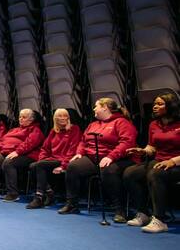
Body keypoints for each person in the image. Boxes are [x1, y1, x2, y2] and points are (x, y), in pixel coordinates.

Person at [58, 98, 137, 222]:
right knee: (72, 167)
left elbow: (127, 143)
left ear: (105, 107)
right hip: (93, 157)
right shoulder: (93, 124)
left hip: (118, 158)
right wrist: (79, 153)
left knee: (108, 170)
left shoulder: (122, 122)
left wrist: (111, 156)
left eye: (96, 106)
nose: (94, 109)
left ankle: (119, 209)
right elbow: (83, 142)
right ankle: (72, 204)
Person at [123, 92, 180, 233]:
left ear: (171, 106)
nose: (155, 107)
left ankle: (160, 219)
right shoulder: (154, 124)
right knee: (130, 173)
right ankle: (144, 213)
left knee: (156, 174)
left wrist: (173, 161)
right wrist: (142, 151)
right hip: (159, 161)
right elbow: (152, 147)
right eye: (155, 104)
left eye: (160, 104)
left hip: (177, 163)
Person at [0, 108, 45, 202]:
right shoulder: (14, 130)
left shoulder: (35, 130)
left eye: (24, 117)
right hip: (8, 152)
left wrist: (17, 152)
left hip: (27, 155)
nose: (20, 119)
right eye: (20, 117)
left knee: (8, 163)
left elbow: (29, 144)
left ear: (31, 119)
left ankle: (13, 193)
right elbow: (3, 140)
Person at [26, 108, 81, 209]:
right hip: (52, 159)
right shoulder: (53, 131)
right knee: (33, 165)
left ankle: (39, 197)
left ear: (69, 117)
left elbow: (73, 150)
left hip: (64, 160)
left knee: (39, 165)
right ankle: (49, 192)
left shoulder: (74, 129)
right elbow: (45, 148)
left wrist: (63, 166)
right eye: (60, 116)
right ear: (55, 118)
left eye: (65, 116)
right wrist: (42, 159)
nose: (63, 118)